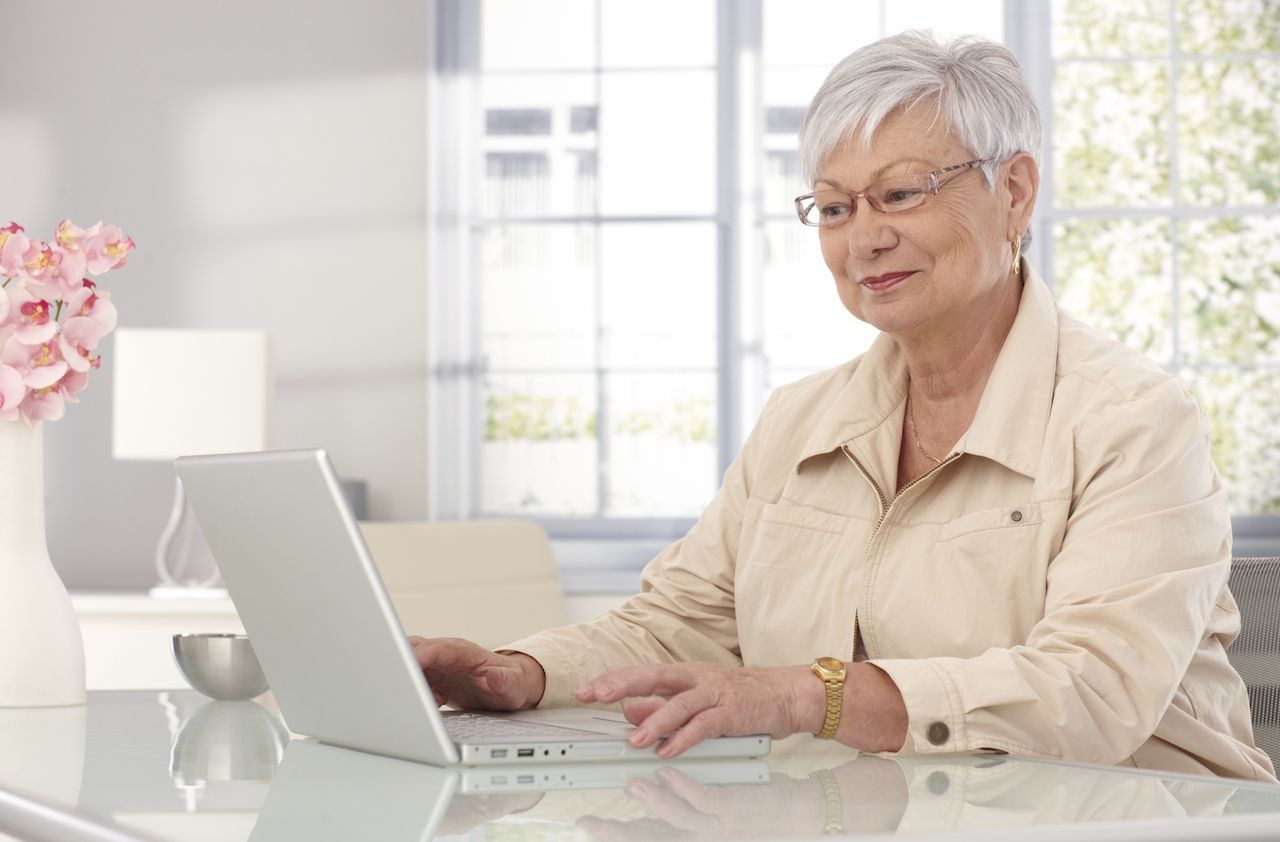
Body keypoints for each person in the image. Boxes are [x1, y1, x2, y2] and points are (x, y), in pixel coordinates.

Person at [412, 30, 1275, 782]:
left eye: (901, 192)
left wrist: (803, 695)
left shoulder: (1135, 421)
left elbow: (1088, 694)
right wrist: (518, 672)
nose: (863, 237)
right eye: (833, 206)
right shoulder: (797, 421)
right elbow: (679, 626)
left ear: (1013, 191)